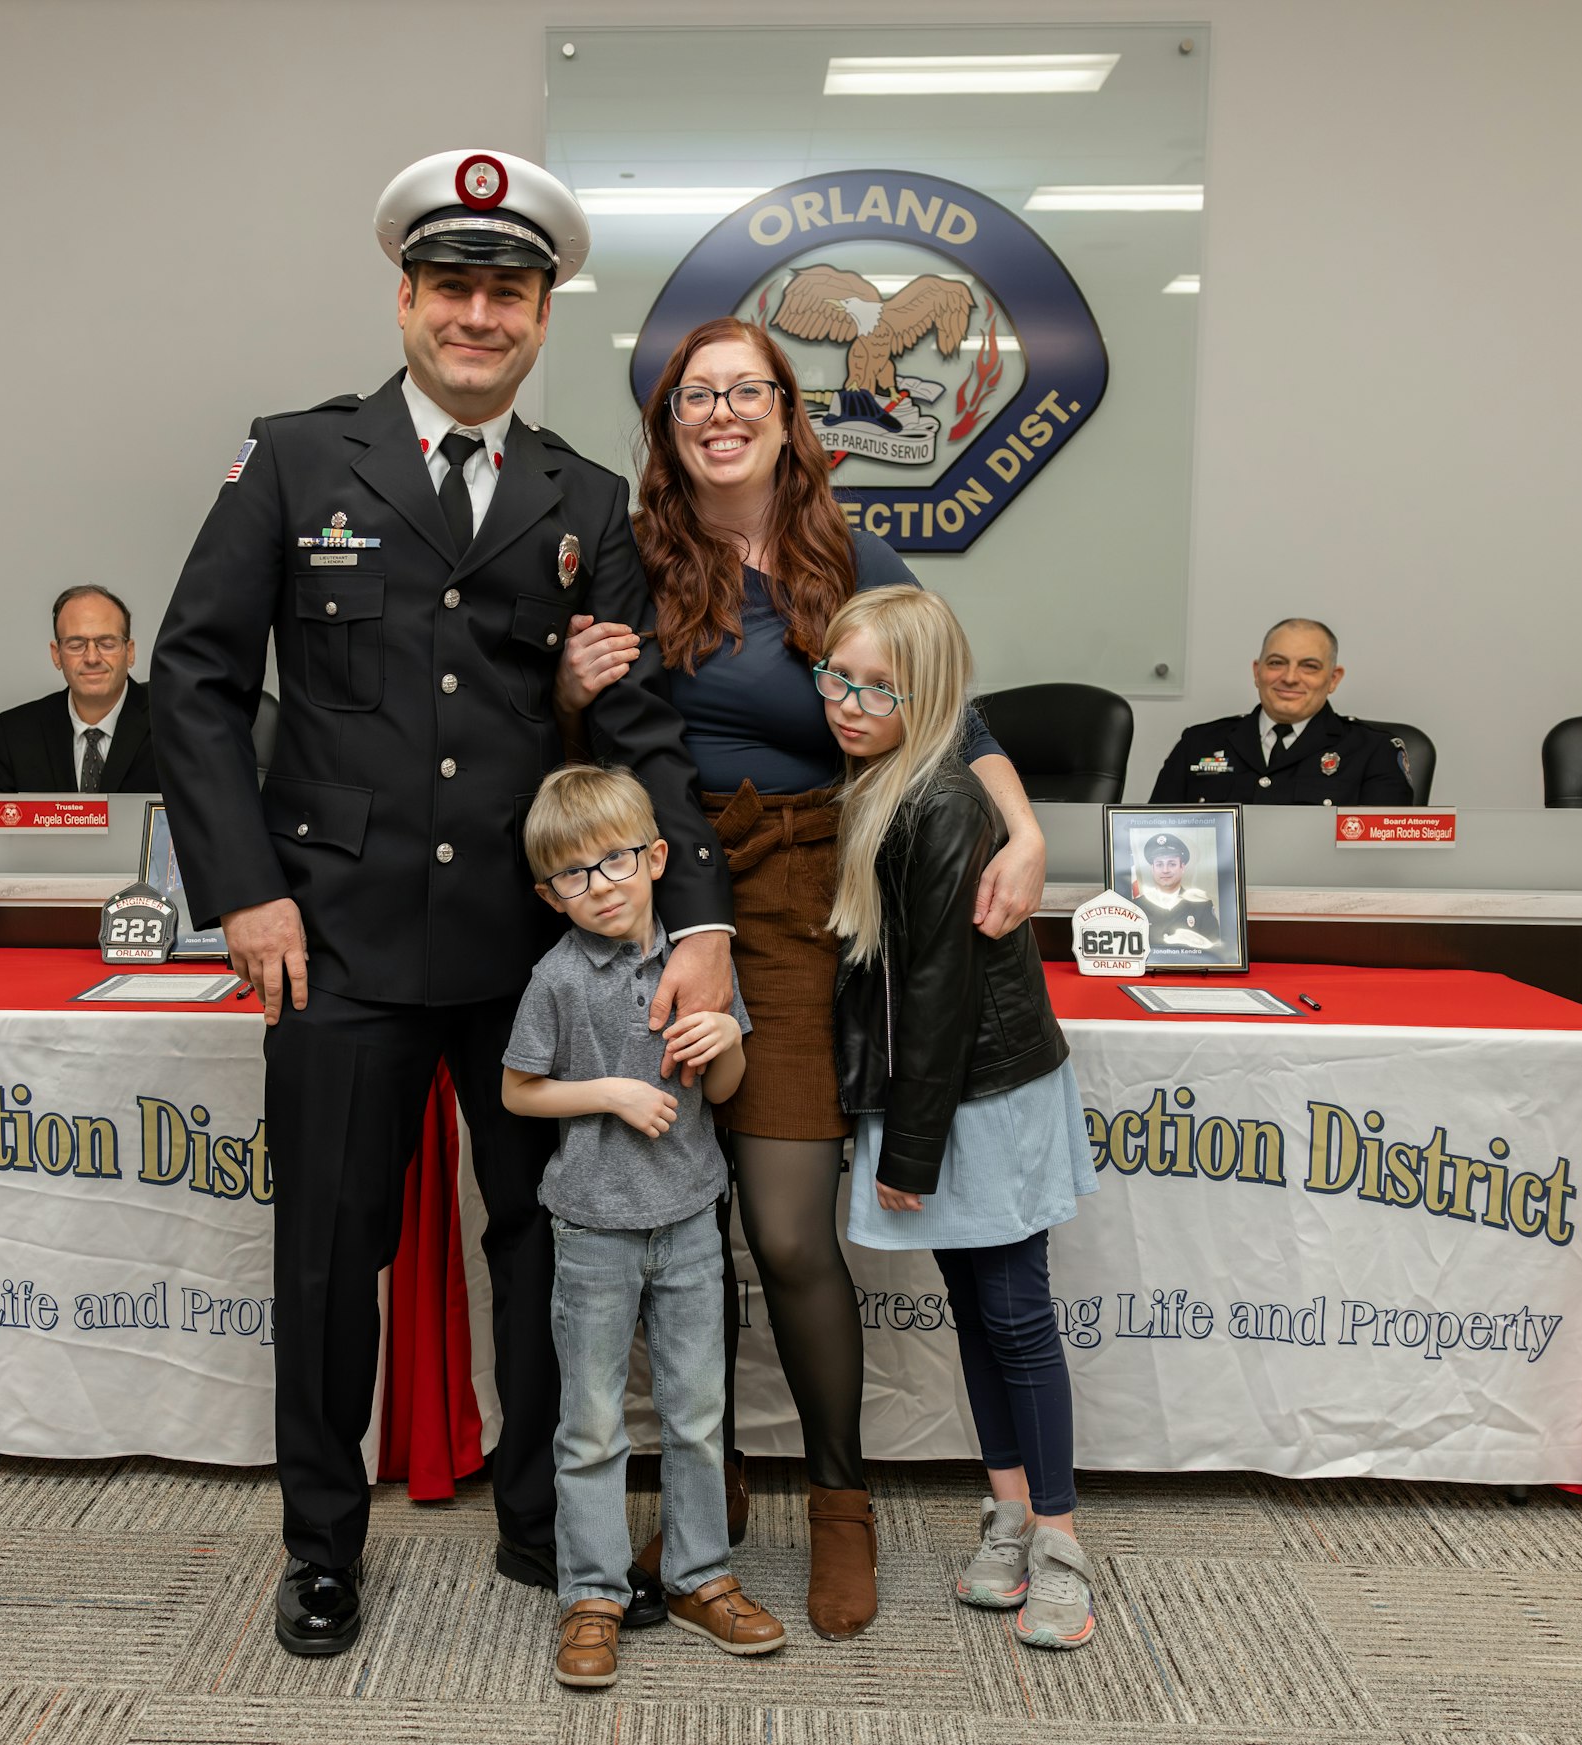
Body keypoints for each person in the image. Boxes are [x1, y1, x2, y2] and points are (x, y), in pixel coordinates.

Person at [149, 149, 734, 1658]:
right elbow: (198, 684)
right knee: (334, 1254)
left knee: (556, 1244)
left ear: (542, 316)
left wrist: (700, 923)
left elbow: (640, 724)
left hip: (539, 954)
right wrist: (245, 896)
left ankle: (553, 1523)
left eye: (510, 292)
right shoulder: (293, 459)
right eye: (455, 286)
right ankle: (322, 1547)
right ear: (406, 296)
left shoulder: (581, 495)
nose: (480, 314)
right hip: (331, 939)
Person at [556, 316, 1047, 1639]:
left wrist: (1029, 825)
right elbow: (593, 733)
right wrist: (565, 682)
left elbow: (951, 703)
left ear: (787, 411)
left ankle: (844, 1500)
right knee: (671, 1228)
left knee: (781, 1231)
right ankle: (706, 1510)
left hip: (805, 903)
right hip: (656, 899)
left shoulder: (847, 553)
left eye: (745, 391)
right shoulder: (633, 550)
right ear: (667, 423)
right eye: (693, 395)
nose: (720, 412)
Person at [822, 585, 1100, 1651]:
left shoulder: (941, 799)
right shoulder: (877, 775)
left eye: (876, 688)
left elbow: (934, 989)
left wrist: (908, 1146)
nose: (847, 703)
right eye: (835, 679)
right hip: (936, 1090)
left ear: (927, 694)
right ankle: (1008, 1508)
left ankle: (1062, 1538)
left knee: (1015, 1312)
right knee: (972, 1310)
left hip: (977, 1093)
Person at [502, 765, 784, 1687]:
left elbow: (730, 1091)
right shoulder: (555, 978)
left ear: (658, 858)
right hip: (590, 1230)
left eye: (617, 861)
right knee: (588, 1423)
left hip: (691, 1221)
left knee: (697, 1414)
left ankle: (702, 1573)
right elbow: (516, 1089)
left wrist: (729, 1041)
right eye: (573, 875)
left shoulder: (698, 964)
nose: (602, 886)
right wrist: (613, 1093)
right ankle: (593, 1590)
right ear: (549, 893)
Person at [1150, 618, 1413, 806]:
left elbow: (1383, 862)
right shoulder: (1199, 743)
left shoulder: (1374, 752)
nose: (1289, 678)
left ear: (1333, 679)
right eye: (1277, 663)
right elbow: (1154, 838)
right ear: (1257, 672)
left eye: (1309, 666)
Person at [0, 586, 159, 792]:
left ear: (130, 652)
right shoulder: (15, 733)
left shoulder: (171, 724)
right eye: (76, 645)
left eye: (107, 644)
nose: (92, 658)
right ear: (56, 655)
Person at [1131, 831, 1223, 958]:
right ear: (1152, 868)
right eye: (1159, 864)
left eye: (1172, 864)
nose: (1165, 870)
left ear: (1182, 867)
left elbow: (1214, 953)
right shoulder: (1135, 908)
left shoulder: (1202, 906)